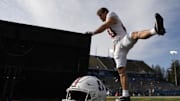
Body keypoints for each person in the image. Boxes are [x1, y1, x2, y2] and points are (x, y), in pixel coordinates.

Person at [86, 7, 166, 101]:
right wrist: (115, 50)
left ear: (105, 12)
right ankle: (126, 95)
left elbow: (106, 25)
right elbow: (113, 36)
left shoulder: (111, 14)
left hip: (123, 40)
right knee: (121, 72)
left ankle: (155, 30)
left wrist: (93, 33)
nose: (100, 18)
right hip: (118, 49)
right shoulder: (108, 22)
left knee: (134, 34)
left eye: (100, 16)